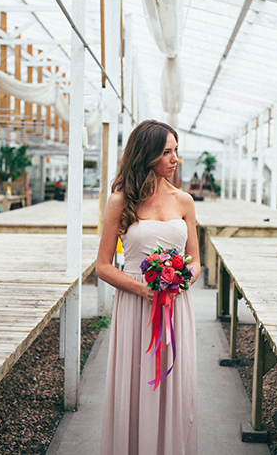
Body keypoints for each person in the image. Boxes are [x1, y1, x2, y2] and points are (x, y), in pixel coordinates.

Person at [96, 120, 200, 455]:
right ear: (148, 154)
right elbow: (103, 267)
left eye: (176, 151)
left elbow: (196, 261)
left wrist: (182, 278)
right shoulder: (120, 201)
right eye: (167, 152)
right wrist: (143, 289)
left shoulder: (184, 201)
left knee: (175, 385)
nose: (175, 159)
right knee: (136, 384)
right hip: (135, 304)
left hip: (174, 305)